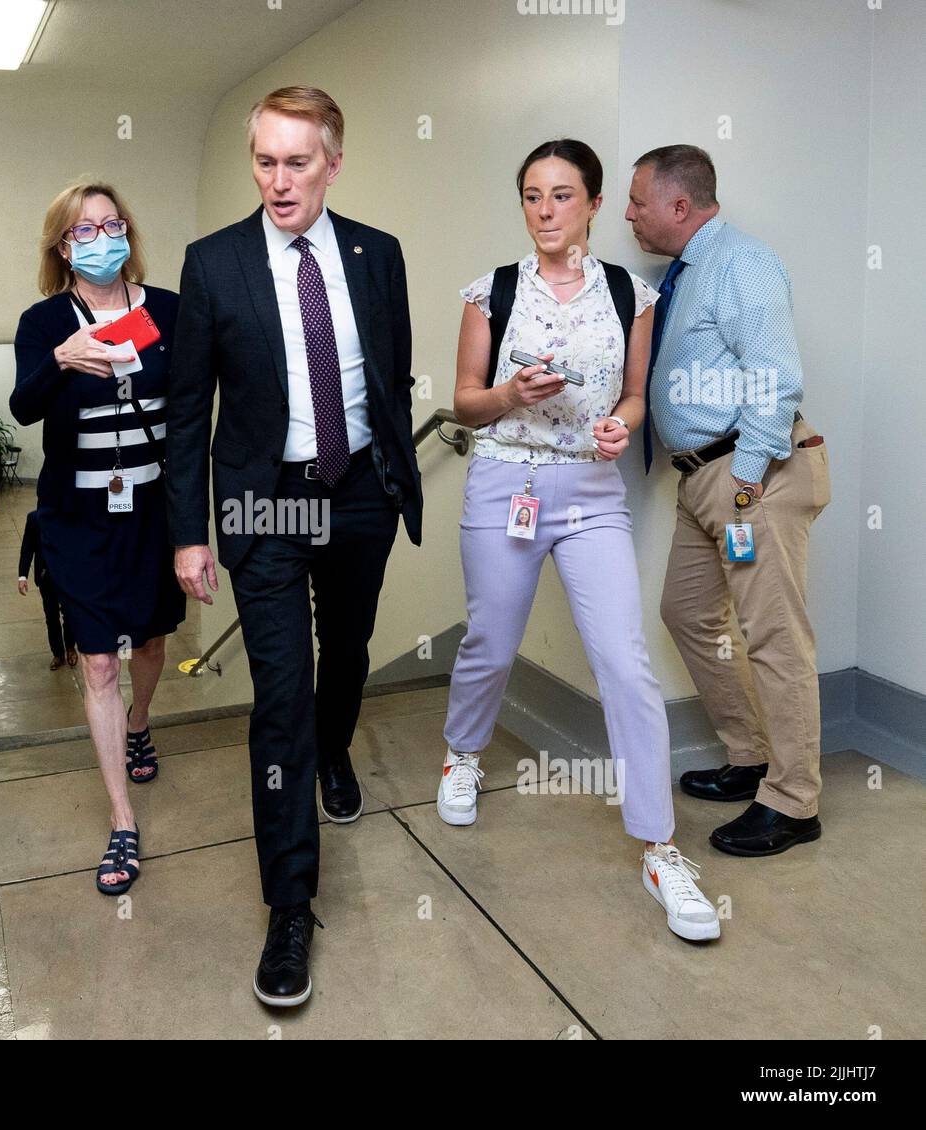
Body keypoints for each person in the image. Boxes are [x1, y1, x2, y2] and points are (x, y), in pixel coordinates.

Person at [166, 87, 423, 1006]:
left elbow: (389, 376)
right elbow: (189, 409)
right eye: (265, 162)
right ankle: (289, 904)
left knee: (345, 654)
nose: (279, 182)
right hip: (267, 505)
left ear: (334, 162)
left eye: (298, 162)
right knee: (281, 696)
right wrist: (188, 534)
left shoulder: (376, 255)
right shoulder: (214, 264)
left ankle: (338, 749)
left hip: (357, 497)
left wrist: (390, 478)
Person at [436, 138, 718, 943]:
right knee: (491, 639)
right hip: (505, 482)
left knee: (623, 660)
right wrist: (507, 391)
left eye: (562, 196)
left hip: (591, 492)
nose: (545, 211)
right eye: (532, 196)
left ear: (594, 204)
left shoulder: (632, 292)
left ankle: (661, 849)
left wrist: (614, 427)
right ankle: (462, 753)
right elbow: (462, 402)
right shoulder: (490, 291)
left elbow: (635, 399)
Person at [626, 144, 830, 857]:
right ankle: (750, 756)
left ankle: (794, 799)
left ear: (679, 207)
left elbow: (776, 374)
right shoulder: (690, 272)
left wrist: (745, 478)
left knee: (774, 634)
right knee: (685, 611)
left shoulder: (742, 262)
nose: (628, 213)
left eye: (637, 200)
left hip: (754, 472)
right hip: (701, 479)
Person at [10, 180, 184, 899]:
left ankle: (141, 723)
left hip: (150, 511)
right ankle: (121, 817)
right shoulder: (46, 320)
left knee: (148, 642)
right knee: (98, 663)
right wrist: (61, 359)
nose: (101, 238)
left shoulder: (169, 309)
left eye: (112, 225)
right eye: (84, 231)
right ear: (62, 246)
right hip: (78, 519)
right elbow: (22, 407)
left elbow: (197, 396)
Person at [18, 508, 77, 670]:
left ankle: (70, 647)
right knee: (51, 616)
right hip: (46, 577)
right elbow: (27, 548)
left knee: (70, 615)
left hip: (68, 577)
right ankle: (57, 653)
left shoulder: (71, 515)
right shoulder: (34, 519)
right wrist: (22, 576)